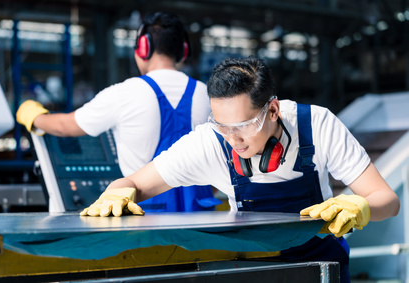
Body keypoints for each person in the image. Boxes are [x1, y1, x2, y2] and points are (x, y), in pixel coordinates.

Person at [79, 56, 400, 282]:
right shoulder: (210, 141)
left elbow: (387, 199)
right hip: (252, 270)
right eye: (222, 125)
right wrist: (116, 192)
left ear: (273, 109)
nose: (233, 139)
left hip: (320, 267)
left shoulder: (317, 126)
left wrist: (361, 205)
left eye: (244, 126)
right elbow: (135, 181)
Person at [16, 11, 220, 212]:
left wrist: (35, 117)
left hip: (145, 218)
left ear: (143, 48)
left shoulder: (127, 92)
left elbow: (65, 126)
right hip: (201, 219)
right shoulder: (207, 94)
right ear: (183, 51)